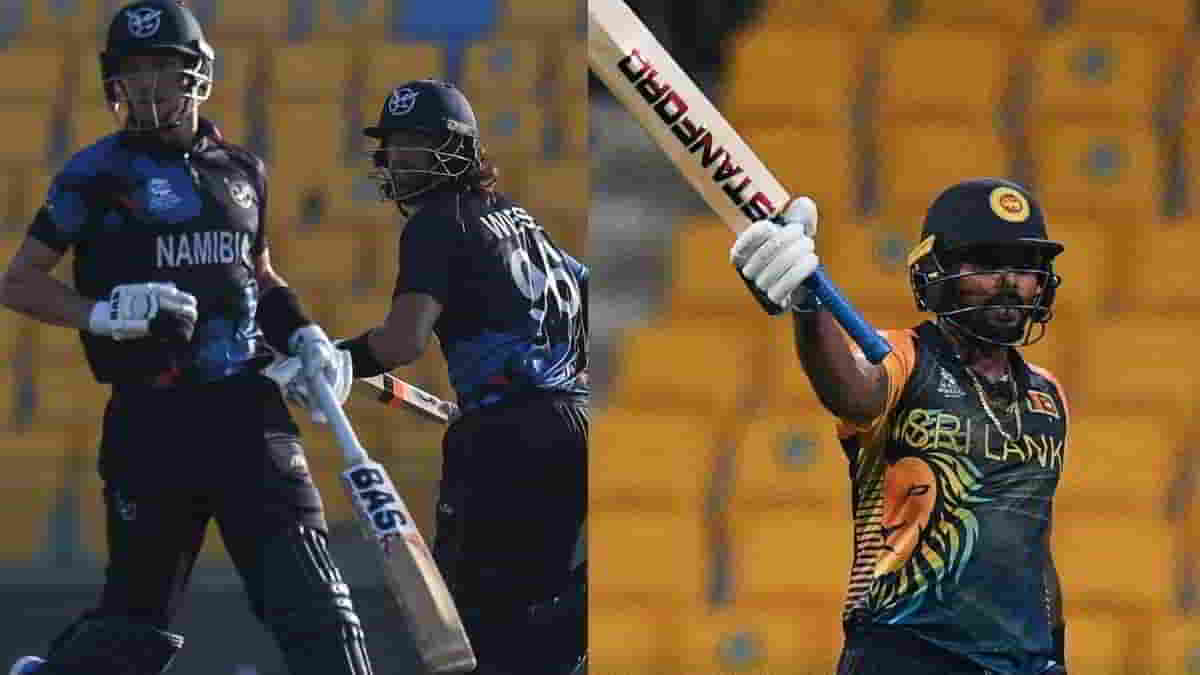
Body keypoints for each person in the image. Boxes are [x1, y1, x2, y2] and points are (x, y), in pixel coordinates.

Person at [0, 1, 371, 673]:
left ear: (196, 74)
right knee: (135, 630)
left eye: (161, 68)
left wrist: (305, 335)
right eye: (133, 69)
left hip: (247, 411)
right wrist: (101, 314)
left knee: (319, 609)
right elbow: (19, 281)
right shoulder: (93, 176)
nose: (145, 84)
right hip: (151, 420)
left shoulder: (242, 170)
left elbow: (258, 274)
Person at [273, 79, 589, 675]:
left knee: (471, 635)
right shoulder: (519, 218)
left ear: (460, 148)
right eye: (395, 145)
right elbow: (582, 287)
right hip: (573, 425)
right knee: (531, 610)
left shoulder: (437, 223)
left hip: (503, 441)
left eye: (418, 143)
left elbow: (402, 341)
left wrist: (335, 361)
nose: (401, 158)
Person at [731, 178, 1069, 674]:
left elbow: (1033, 544)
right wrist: (807, 304)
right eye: (985, 262)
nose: (1008, 282)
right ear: (937, 274)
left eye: (1023, 265)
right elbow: (853, 392)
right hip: (904, 651)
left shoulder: (1048, 396)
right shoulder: (904, 356)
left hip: (1020, 664)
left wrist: (1055, 653)